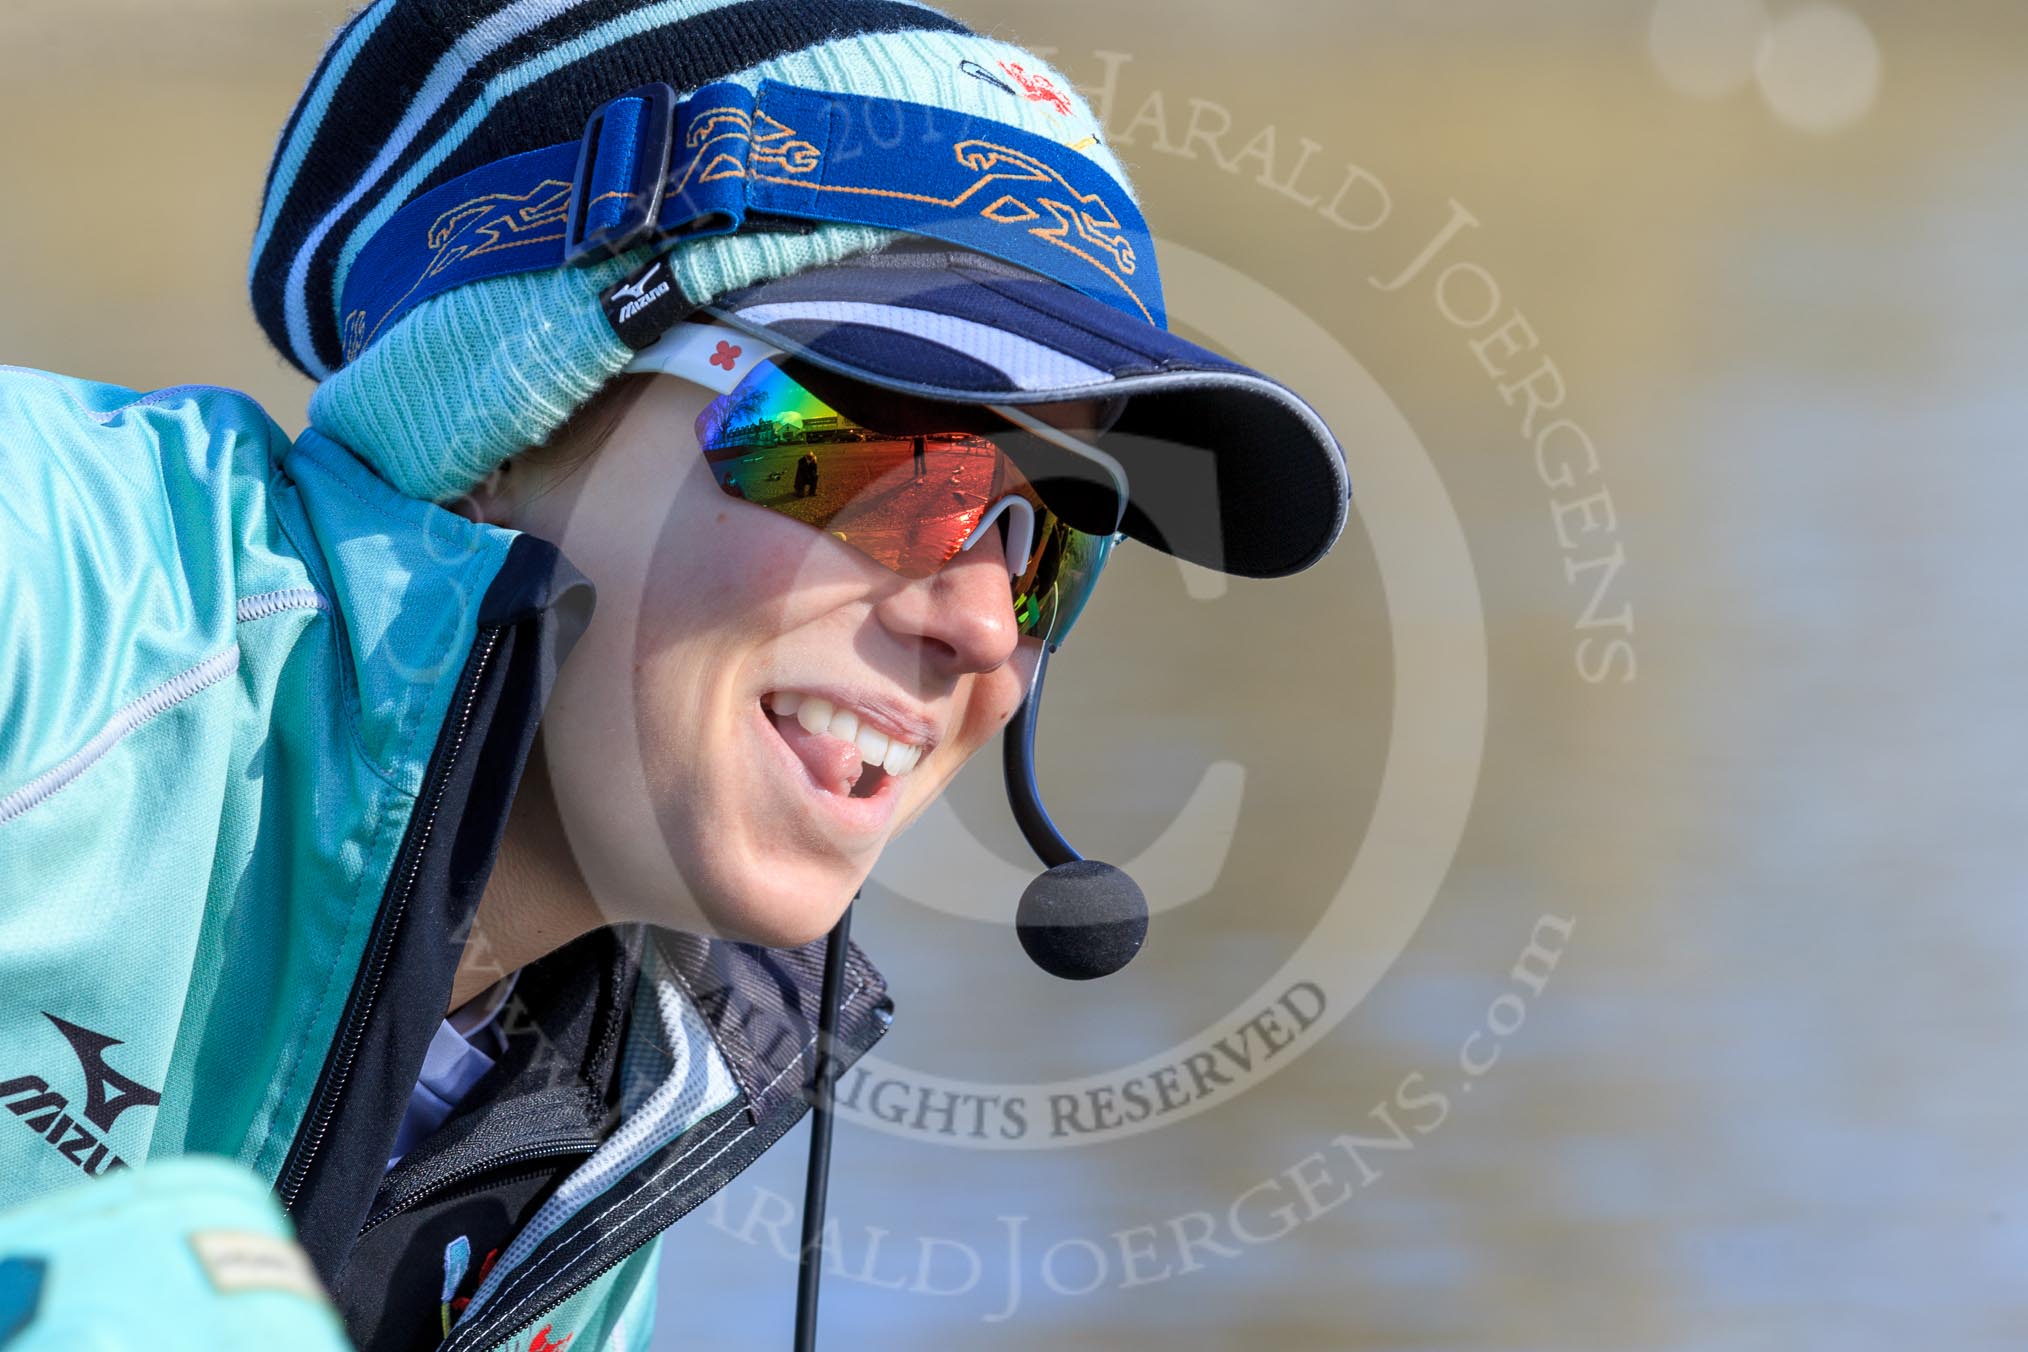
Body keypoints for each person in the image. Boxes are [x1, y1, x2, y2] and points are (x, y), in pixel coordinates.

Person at [0, 2, 1349, 1349]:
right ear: (504, 420)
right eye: (868, 461)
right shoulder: (53, 598)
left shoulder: (602, 1143)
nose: (986, 626)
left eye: (1049, 538)